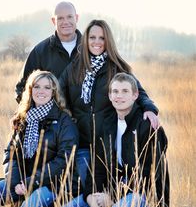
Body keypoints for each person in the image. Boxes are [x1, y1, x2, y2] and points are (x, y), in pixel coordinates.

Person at [0, 70, 79, 207]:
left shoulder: (65, 122)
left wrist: (31, 181)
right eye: (36, 87)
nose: (41, 91)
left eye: (46, 87)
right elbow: (10, 152)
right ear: (30, 90)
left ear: (54, 92)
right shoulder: (23, 118)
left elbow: (64, 160)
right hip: (21, 181)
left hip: (52, 184)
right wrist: (15, 181)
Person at [63, 73, 170, 207]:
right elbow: (97, 166)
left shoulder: (147, 126)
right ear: (110, 96)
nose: (119, 96)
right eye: (115, 91)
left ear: (135, 95)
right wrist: (91, 194)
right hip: (112, 190)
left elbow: (149, 175)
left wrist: (112, 197)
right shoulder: (106, 124)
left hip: (143, 194)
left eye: (125, 91)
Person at [59, 19, 159, 189]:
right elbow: (57, 94)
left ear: (108, 41)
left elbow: (138, 92)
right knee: (85, 192)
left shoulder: (116, 68)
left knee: (105, 192)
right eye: (92, 37)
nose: (96, 42)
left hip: (106, 144)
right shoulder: (74, 68)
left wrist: (149, 109)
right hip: (82, 143)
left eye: (102, 38)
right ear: (86, 40)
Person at [15, 1, 81, 103]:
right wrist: (39, 114)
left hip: (85, 118)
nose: (65, 22)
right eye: (60, 18)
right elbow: (21, 88)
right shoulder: (40, 51)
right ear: (53, 21)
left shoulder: (90, 48)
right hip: (52, 118)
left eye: (69, 17)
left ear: (76, 18)